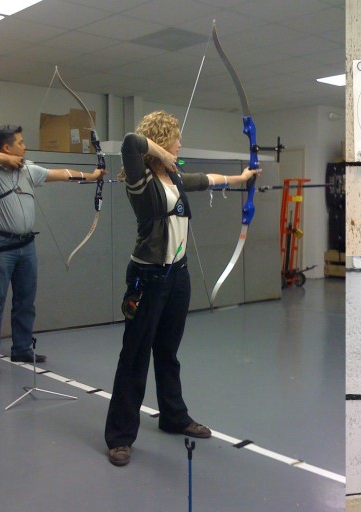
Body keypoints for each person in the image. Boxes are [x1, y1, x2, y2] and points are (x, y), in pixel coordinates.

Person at [104, 111, 261, 467]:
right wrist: (160, 152)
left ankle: (174, 417)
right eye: (175, 137)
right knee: (134, 356)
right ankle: (120, 436)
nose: (179, 144)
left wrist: (241, 177)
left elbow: (205, 179)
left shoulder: (173, 176)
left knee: (168, 352)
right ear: (160, 140)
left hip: (178, 276)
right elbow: (131, 142)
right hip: (148, 277)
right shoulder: (139, 178)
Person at [0, 125, 106, 376]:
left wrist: (92, 176)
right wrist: (6, 160)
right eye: (20, 143)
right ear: (7, 147)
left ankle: (21, 348)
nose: (25, 146)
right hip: (0, 247)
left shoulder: (29, 170)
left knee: (26, 300)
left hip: (26, 246)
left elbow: (63, 174)